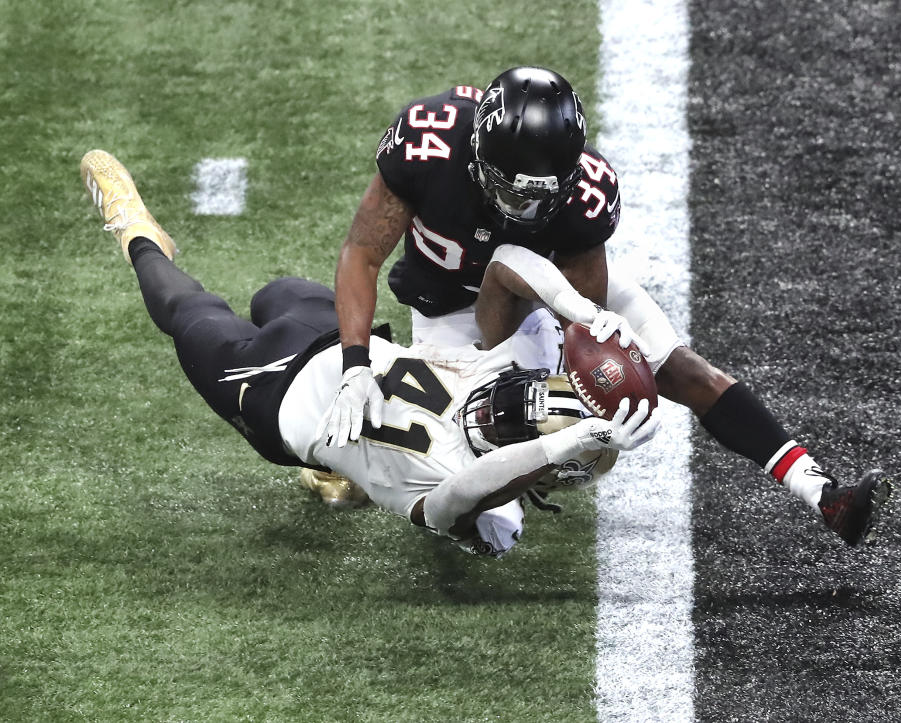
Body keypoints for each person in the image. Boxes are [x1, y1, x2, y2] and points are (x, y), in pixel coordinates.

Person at [323, 65, 892, 546]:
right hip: (452, 313)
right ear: (479, 159)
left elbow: (586, 309)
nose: (526, 210)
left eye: (543, 194)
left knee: (683, 369)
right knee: (486, 519)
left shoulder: (586, 193)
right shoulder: (430, 141)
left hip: (555, 292)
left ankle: (823, 493)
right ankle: (364, 425)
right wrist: (353, 364)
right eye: (515, 193)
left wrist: (579, 389)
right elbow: (361, 254)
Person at [79, 149, 659, 558]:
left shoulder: (478, 497)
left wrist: (566, 443)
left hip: (275, 399)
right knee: (273, 292)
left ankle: (134, 233)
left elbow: (462, 496)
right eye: (519, 401)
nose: (496, 407)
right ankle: (342, 472)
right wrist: (578, 307)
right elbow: (509, 260)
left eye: (512, 421)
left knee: (186, 310)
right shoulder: (504, 369)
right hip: (339, 339)